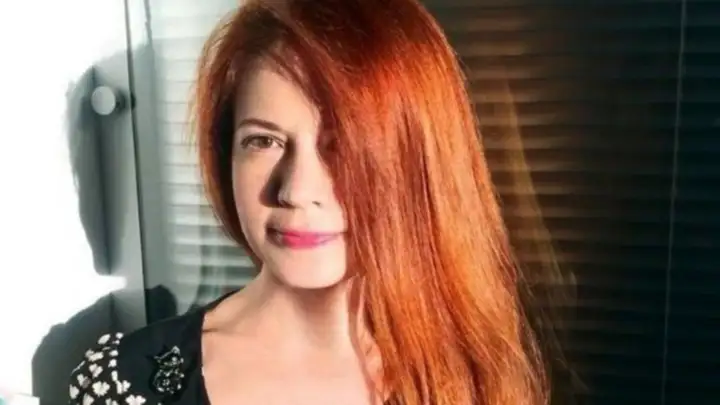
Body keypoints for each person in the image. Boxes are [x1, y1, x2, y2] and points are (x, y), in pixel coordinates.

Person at [68, 0, 552, 404]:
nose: (297, 190)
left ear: (418, 165)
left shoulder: (478, 367)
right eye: (263, 141)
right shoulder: (128, 383)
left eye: (341, 147)